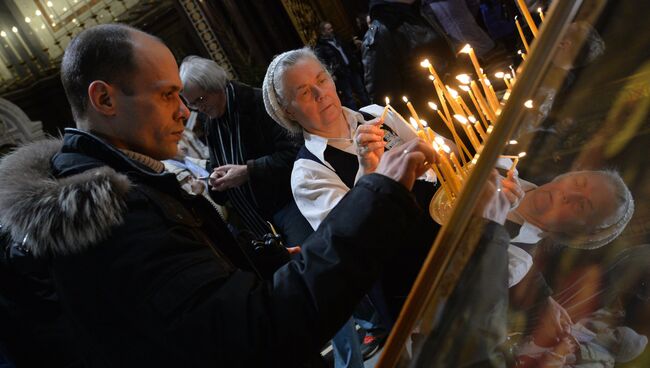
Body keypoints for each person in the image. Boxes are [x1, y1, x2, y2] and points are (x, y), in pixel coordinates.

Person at [0, 24, 443, 367]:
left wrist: (254, 262)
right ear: (105, 99)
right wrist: (378, 193)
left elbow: (196, 299)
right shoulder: (113, 220)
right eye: (168, 94)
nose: (184, 110)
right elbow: (256, 330)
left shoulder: (126, 188)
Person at [261, 47, 523, 366]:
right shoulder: (309, 171)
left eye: (321, 79)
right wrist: (367, 171)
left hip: (453, 245)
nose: (319, 93)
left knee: (508, 332)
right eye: (303, 92)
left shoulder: (376, 113)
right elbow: (352, 238)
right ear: (287, 111)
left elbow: (436, 166)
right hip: (411, 280)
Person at [178, 55, 302, 243]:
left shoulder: (258, 102)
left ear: (216, 84)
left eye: (201, 99)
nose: (199, 108)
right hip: (257, 223)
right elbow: (219, 164)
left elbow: (295, 154)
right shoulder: (210, 121)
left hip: (290, 205)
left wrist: (248, 171)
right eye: (192, 104)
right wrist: (214, 181)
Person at [362, 0, 455, 111]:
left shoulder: (418, 13)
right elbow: (386, 101)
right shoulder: (380, 34)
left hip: (454, 105)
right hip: (433, 119)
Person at [314, 21, 369, 110]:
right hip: (341, 74)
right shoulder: (321, 47)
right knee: (349, 97)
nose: (331, 30)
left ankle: (371, 111)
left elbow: (347, 50)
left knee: (361, 91)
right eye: (328, 29)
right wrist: (332, 73)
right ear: (323, 32)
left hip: (351, 68)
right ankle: (356, 118)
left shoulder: (337, 39)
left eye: (331, 28)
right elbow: (323, 62)